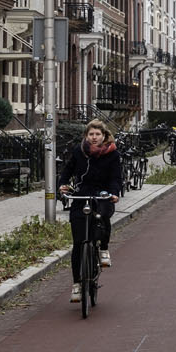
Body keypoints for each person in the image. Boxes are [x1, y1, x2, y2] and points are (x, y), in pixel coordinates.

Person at [57, 118, 123, 303]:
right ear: (86, 136)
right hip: (82, 194)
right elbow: (67, 170)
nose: (94, 138)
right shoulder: (80, 152)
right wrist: (62, 184)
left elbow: (116, 178)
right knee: (78, 244)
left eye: (97, 134)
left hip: (102, 194)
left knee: (102, 217)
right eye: (91, 134)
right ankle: (77, 284)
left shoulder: (113, 154)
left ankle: (103, 248)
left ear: (104, 136)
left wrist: (114, 193)